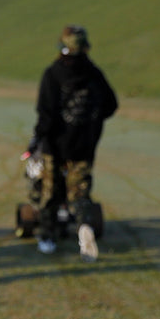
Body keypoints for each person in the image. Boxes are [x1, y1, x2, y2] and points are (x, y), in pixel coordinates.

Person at [28, 24, 118, 262]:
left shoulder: (53, 74)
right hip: (84, 145)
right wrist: (91, 122)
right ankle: (84, 228)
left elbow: (45, 113)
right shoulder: (94, 74)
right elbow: (111, 105)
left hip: (54, 146)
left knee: (50, 193)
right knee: (80, 193)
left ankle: (47, 237)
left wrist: (36, 138)